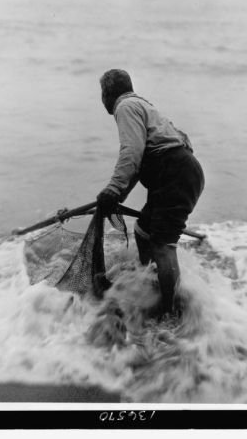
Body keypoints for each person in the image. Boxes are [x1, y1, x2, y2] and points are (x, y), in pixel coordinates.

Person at [96, 69, 205, 318]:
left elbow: (131, 152)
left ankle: (171, 311)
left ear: (107, 94)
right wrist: (118, 196)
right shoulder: (143, 105)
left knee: (162, 244)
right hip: (180, 173)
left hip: (175, 174)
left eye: (102, 94)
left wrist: (112, 189)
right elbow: (139, 163)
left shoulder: (125, 106)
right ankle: (154, 283)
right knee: (144, 232)